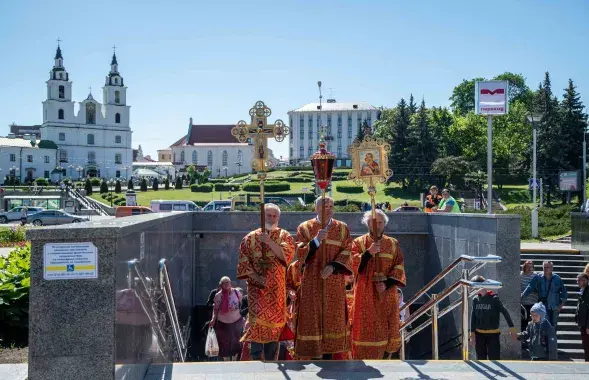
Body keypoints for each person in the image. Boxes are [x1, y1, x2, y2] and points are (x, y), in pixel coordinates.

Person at [294, 196, 353, 359]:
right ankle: (314, 355)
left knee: (332, 320)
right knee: (312, 319)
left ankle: (328, 357)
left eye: (331, 205)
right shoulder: (305, 227)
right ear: (316, 208)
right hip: (312, 281)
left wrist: (334, 266)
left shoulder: (342, 228)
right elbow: (299, 253)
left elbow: (348, 251)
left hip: (334, 282)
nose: (328, 208)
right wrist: (315, 241)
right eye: (324, 205)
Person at [237, 203, 295, 361]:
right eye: (268, 215)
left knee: (274, 327)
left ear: (279, 218)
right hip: (257, 292)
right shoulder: (249, 239)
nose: (271, 218)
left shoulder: (285, 236)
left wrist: (269, 241)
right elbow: (244, 266)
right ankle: (256, 358)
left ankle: (271, 360)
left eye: (275, 216)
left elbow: (286, 257)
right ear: (263, 217)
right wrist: (257, 278)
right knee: (257, 324)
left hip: (277, 294)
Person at [350, 209, 406, 359]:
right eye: (374, 222)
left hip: (386, 293)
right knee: (365, 327)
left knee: (388, 327)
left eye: (380, 222)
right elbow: (353, 264)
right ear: (367, 223)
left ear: (384, 224)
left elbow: (399, 265)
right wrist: (368, 253)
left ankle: (386, 357)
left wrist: (387, 283)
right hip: (365, 292)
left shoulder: (392, 243)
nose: (377, 225)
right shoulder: (359, 242)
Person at [469, 275, 517, 360]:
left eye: (475, 287)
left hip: (493, 334)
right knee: (481, 359)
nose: (473, 289)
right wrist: (472, 335)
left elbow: (505, 312)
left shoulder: (494, 298)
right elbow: (473, 317)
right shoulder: (475, 299)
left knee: (494, 359)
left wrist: (512, 329)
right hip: (479, 335)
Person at [522, 261, 567, 331]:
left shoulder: (557, 278)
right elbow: (530, 287)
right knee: (544, 324)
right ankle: (545, 341)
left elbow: (564, 292)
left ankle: (552, 340)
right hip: (543, 306)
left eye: (548, 267)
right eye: (544, 267)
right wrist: (521, 296)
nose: (546, 269)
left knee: (554, 325)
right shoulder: (538, 277)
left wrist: (561, 306)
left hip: (555, 306)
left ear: (551, 268)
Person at [209, 277, 244, 361]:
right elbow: (216, 309)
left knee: (236, 341)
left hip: (236, 321)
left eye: (228, 282)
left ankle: (235, 360)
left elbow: (241, 304)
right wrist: (213, 319)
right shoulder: (218, 296)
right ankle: (226, 361)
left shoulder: (237, 292)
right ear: (221, 285)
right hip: (223, 322)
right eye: (224, 282)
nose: (227, 284)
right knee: (224, 343)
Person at [521, 260, 539, 330]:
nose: (529, 269)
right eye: (528, 267)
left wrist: (535, 290)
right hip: (523, 302)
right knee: (524, 321)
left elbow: (538, 288)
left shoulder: (535, 275)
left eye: (531, 267)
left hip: (533, 302)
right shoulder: (520, 275)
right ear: (524, 267)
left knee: (531, 320)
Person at [575, 273, 589, 361]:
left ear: (585, 281)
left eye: (579, 280)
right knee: (585, 344)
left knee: (587, 345)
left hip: (586, 324)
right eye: (577, 280)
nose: (578, 282)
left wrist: (588, 325)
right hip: (582, 323)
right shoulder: (583, 291)